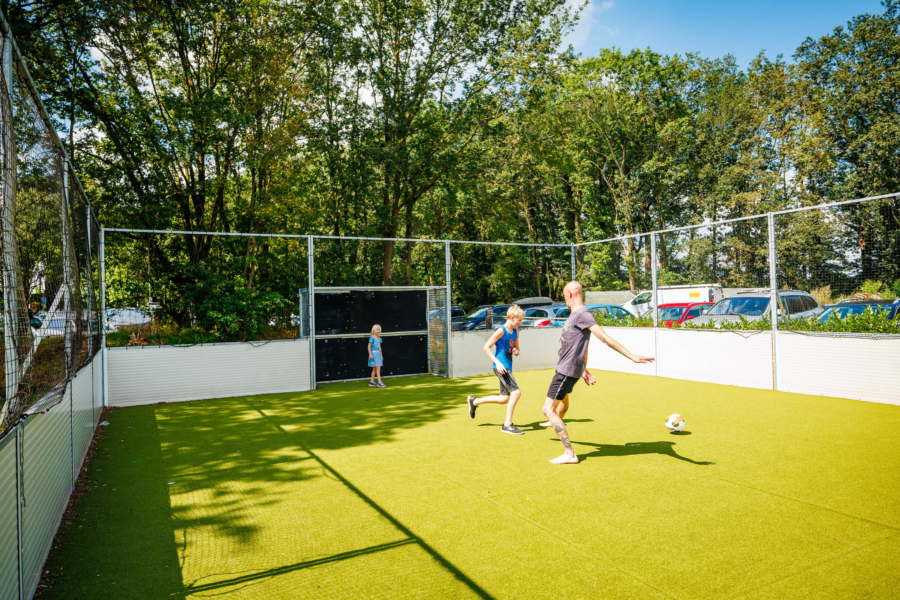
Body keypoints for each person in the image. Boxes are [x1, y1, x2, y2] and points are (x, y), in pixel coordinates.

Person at [544, 281, 654, 464]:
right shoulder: (575, 314)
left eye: (564, 296)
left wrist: (631, 356)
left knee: (548, 409)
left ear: (570, 294)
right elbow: (578, 345)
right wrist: (583, 368)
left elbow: (604, 338)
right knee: (550, 409)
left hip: (566, 371)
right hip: (568, 368)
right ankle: (567, 449)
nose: (564, 300)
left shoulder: (583, 314)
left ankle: (570, 454)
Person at [466, 305, 526, 435]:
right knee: (516, 393)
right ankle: (507, 425)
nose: (521, 322)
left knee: (504, 399)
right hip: (501, 368)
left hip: (508, 366)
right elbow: (486, 347)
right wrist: (498, 363)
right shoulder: (501, 330)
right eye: (519, 320)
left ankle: (474, 401)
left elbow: (517, 348)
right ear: (511, 318)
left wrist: (516, 351)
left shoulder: (516, 331)